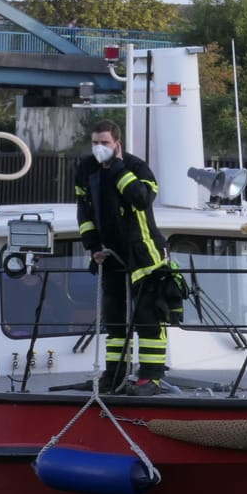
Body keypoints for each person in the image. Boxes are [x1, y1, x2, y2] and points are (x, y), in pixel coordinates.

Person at [74, 119, 176, 393]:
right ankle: (114, 375)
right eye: (95, 143)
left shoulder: (136, 167)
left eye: (105, 143)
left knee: (148, 315)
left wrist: (117, 168)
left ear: (116, 144)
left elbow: (142, 199)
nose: (99, 148)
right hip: (109, 255)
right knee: (114, 317)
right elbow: (84, 211)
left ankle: (151, 377)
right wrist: (93, 246)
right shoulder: (85, 169)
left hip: (143, 254)